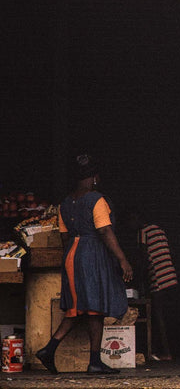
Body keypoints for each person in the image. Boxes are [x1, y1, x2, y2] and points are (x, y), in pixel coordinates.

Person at [36, 154, 133, 374]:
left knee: (82, 308)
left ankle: (54, 351)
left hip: (72, 253)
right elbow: (105, 230)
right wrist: (122, 259)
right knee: (93, 307)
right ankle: (91, 361)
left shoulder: (65, 203)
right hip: (92, 255)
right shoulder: (96, 199)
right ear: (95, 177)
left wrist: (74, 252)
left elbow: (63, 236)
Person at [128, 211, 179, 361]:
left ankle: (166, 352)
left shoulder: (142, 232)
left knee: (158, 316)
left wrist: (140, 281)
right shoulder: (159, 230)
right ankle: (175, 350)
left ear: (136, 219)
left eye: (130, 221)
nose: (129, 226)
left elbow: (143, 258)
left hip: (158, 278)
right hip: (171, 276)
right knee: (170, 315)